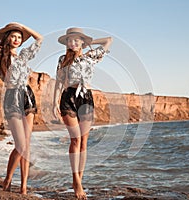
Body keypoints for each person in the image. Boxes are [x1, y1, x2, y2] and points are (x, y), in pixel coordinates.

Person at [0, 22, 43, 194]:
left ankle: (24, 187)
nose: (17, 40)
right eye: (13, 36)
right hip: (12, 98)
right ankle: (8, 180)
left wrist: (22, 26)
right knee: (20, 145)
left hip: (27, 96)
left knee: (26, 145)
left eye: (19, 37)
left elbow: (39, 39)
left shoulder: (23, 56)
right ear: (7, 38)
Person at [53, 27, 112, 199]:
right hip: (68, 97)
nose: (72, 43)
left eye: (76, 40)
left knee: (84, 143)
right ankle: (76, 181)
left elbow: (109, 40)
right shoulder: (62, 59)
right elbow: (58, 82)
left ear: (81, 42)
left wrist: (87, 43)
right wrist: (54, 103)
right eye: (70, 40)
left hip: (86, 98)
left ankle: (80, 178)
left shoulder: (90, 57)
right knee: (75, 139)